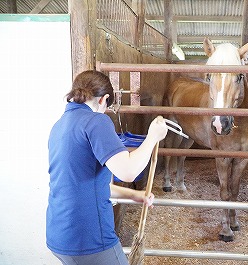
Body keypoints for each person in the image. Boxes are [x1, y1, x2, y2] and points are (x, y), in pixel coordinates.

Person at [46, 70, 168, 265]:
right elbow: (128, 171)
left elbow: (88, 184)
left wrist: (134, 195)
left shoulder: (59, 126)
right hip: (88, 237)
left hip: (58, 235)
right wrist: (153, 137)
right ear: (104, 100)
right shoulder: (96, 121)